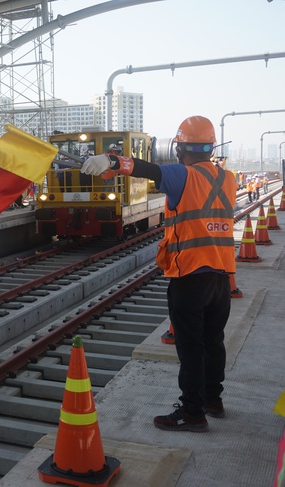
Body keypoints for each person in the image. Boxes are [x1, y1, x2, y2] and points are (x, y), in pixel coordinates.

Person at [82, 115, 235, 432]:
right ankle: (212, 400)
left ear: (180, 148)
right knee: (213, 341)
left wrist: (111, 159)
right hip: (221, 277)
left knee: (190, 346)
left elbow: (146, 169)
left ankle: (192, 413)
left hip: (189, 277)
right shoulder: (228, 178)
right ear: (210, 147)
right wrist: (112, 165)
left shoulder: (183, 175)